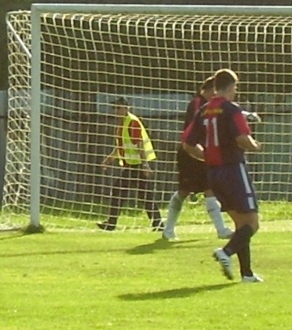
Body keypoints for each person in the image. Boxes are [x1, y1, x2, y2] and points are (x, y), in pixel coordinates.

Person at [183, 69, 263, 283]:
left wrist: (206, 156)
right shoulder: (231, 109)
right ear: (231, 86)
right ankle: (225, 252)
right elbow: (242, 139)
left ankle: (247, 274)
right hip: (233, 170)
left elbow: (187, 143)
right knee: (252, 224)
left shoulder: (204, 110)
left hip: (213, 173)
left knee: (240, 224)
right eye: (235, 87)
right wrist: (255, 145)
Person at [163, 76, 233, 240]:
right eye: (214, 91)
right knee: (183, 191)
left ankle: (221, 229)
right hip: (190, 153)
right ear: (208, 90)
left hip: (204, 153)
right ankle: (168, 229)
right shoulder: (197, 104)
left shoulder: (211, 106)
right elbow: (195, 129)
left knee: (209, 189)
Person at [98, 97, 163, 231]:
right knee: (144, 195)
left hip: (136, 165)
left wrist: (145, 165)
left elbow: (138, 144)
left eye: (118, 108)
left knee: (122, 191)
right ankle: (158, 223)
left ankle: (111, 223)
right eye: (114, 108)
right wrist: (109, 159)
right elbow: (121, 146)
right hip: (131, 165)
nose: (115, 111)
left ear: (126, 108)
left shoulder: (132, 122)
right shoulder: (123, 123)